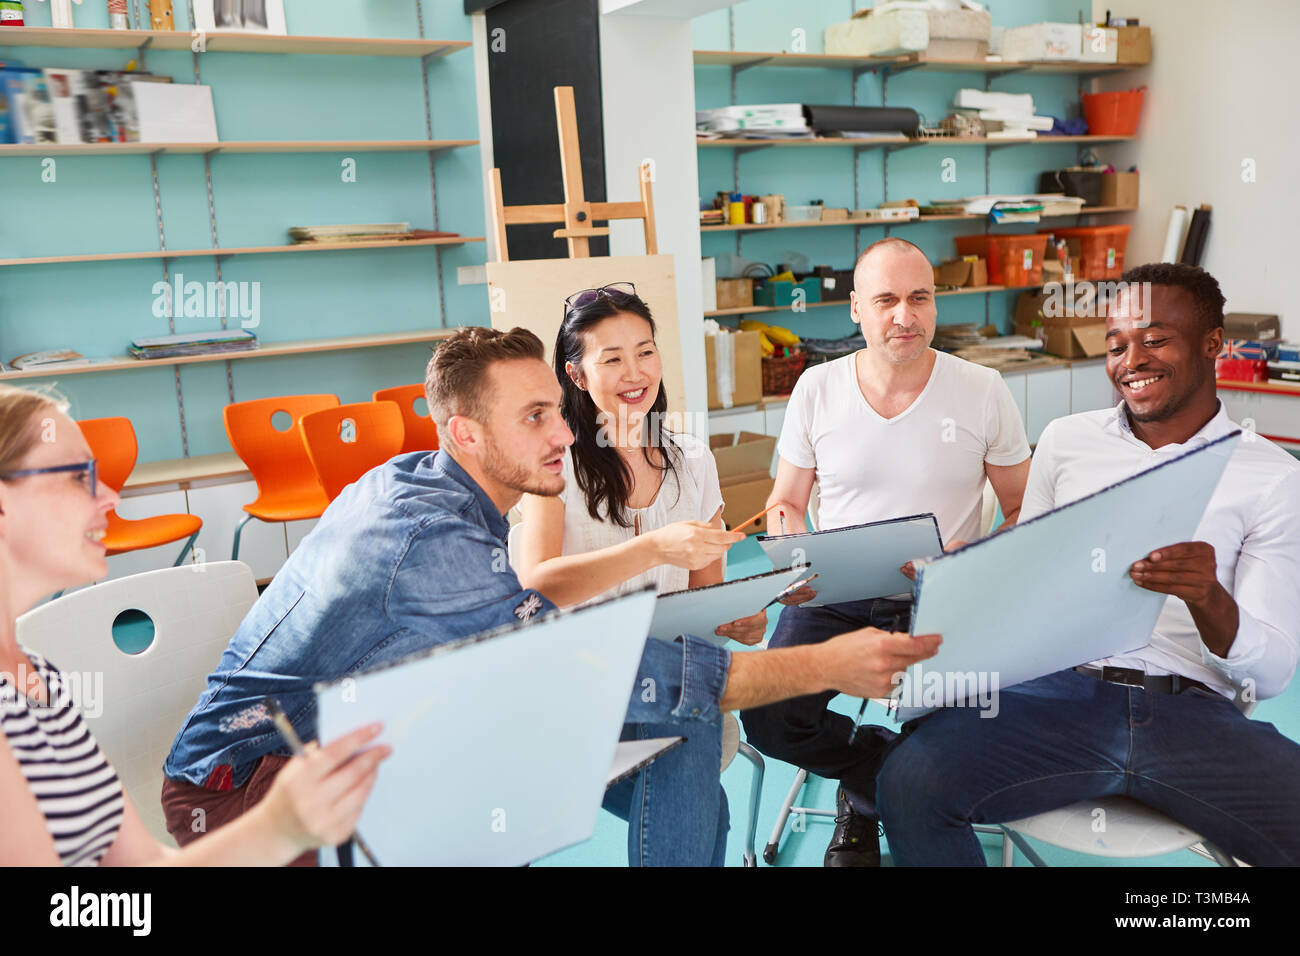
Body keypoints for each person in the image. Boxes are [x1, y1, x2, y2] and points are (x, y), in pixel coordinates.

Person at [163, 325, 942, 866]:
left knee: (687, 729)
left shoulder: (429, 487)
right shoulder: (426, 547)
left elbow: (555, 637)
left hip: (388, 728)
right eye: (535, 417)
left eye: (556, 412)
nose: (566, 435)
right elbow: (599, 663)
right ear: (465, 434)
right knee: (680, 695)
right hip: (250, 790)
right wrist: (826, 665)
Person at [876, 262, 1300, 866]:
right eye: (1117, 345)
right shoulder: (1067, 440)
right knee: (910, 782)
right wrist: (969, 573)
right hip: (1059, 695)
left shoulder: (1273, 477)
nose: (1133, 361)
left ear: (1213, 345)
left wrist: (1209, 598)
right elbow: (1029, 575)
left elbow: (1275, 675)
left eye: (1155, 340)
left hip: (1189, 711)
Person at [0, 384, 389, 866]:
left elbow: (144, 865)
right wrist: (276, 827)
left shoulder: (37, 676)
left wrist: (286, 828)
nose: (110, 496)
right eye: (80, 475)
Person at [741, 236, 1033, 866]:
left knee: (969, 734)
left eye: (919, 298)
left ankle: (883, 794)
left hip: (947, 595)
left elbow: (1026, 512)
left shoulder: (982, 390)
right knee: (768, 715)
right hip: (837, 591)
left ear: (934, 304)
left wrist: (972, 557)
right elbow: (786, 499)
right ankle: (876, 774)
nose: (905, 315)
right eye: (887, 300)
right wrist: (792, 554)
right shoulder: (816, 388)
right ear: (855, 309)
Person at [515, 284, 789, 866]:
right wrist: (654, 548)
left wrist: (736, 617)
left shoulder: (693, 461)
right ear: (579, 375)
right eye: (611, 358)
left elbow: (705, 600)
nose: (635, 371)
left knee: (687, 722)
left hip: (666, 684)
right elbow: (538, 584)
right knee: (702, 794)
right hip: (573, 691)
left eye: (645, 351)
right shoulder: (552, 462)